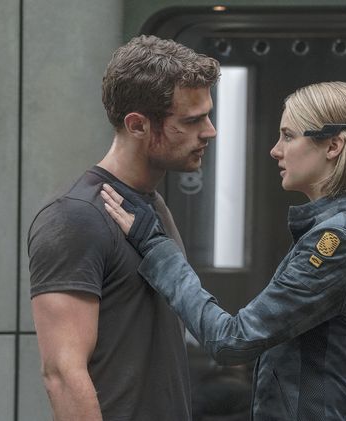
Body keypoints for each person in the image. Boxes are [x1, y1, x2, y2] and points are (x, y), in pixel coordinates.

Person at [101, 81, 346, 421]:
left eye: (288, 136)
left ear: (333, 146)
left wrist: (156, 248)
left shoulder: (337, 240)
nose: (275, 150)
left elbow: (232, 341)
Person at [27, 35, 220, 420]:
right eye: (192, 120)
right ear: (137, 125)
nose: (210, 131)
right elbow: (63, 375)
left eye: (207, 116)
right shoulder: (75, 215)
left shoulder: (154, 207)